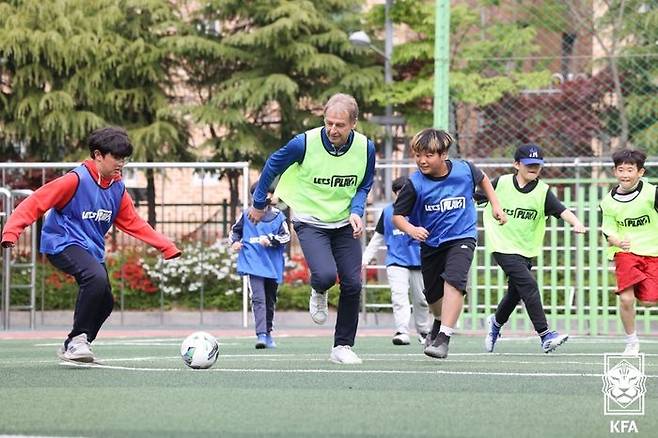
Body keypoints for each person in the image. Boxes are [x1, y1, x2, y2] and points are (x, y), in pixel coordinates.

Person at [0, 127, 181, 363]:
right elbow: (35, 202)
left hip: (91, 250)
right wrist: (11, 231)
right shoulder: (74, 180)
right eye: (116, 158)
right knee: (95, 279)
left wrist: (165, 245)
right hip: (62, 242)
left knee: (105, 302)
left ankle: (76, 343)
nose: (121, 164)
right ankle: (77, 340)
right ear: (98, 155)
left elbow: (133, 222)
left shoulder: (117, 189)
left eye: (124, 159)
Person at [248, 93, 375, 364]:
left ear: (354, 123)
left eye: (340, 125)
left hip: (343, 221)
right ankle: (319, 289)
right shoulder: (304, 143)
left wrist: (356, 211)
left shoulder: (366, 148)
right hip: (309, 220)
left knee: (353, 283)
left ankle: (342, 346)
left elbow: (364, 185)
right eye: (329, 122)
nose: (333, 129)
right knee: (327, 275)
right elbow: (272, 164)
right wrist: (259, 201)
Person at [392, 128, 506, 360]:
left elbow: (484, 180)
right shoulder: (414, 184)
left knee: (454, 280)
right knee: (432, 296)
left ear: (443, 154)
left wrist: (496, 205)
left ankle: (443, 337)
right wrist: (412, 229)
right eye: (418, 155)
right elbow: (397, 217)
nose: (422, 160)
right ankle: (438, 320)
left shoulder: (465, 170)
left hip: (462, 237)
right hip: (432, 244)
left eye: (428, 155)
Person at [477, 144, 586, 354]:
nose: (534, 167)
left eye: (537, 164)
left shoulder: (542, 191)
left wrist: (576, 223)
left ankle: (495, 324)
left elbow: (561, 210)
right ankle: (545, 335)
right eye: (528, 164)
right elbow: (478, 196)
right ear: (516, 164)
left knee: (515, 293)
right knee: (529, 284)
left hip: (526, 249)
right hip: (501, 245)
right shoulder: (501, 183)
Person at [599, 148, 658, 355]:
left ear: (640, 172)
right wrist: (615, 239)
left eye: (630, 170)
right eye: (621, 170)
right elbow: (607, 229)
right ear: (615, 171)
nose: (625, 174)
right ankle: (631, 341)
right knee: (626, 299)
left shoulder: (653, 194)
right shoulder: (608, 202)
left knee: (649, 301)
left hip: (653, 253)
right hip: (626, 253)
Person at [362, 176, 431, 345]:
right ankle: (402, 331)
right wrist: (364, 259)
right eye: (399, 192)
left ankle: (423, 331)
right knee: (399, 296)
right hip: (396, 261)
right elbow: (378, 238)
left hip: (419, 262)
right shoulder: (387, 212)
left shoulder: (422, 209)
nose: (402, 195)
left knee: (422, 300)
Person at [230, 183, 290, 349]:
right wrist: (234, 242)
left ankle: (268, 332)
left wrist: (271, 240)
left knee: (270, 299)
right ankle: (261, 335)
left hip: (272, 264)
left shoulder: (278, 216)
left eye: (265, 193)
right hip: (252, 263)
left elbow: (286, 237)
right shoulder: (246, 215)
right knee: (258, 298)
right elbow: (235, 231)